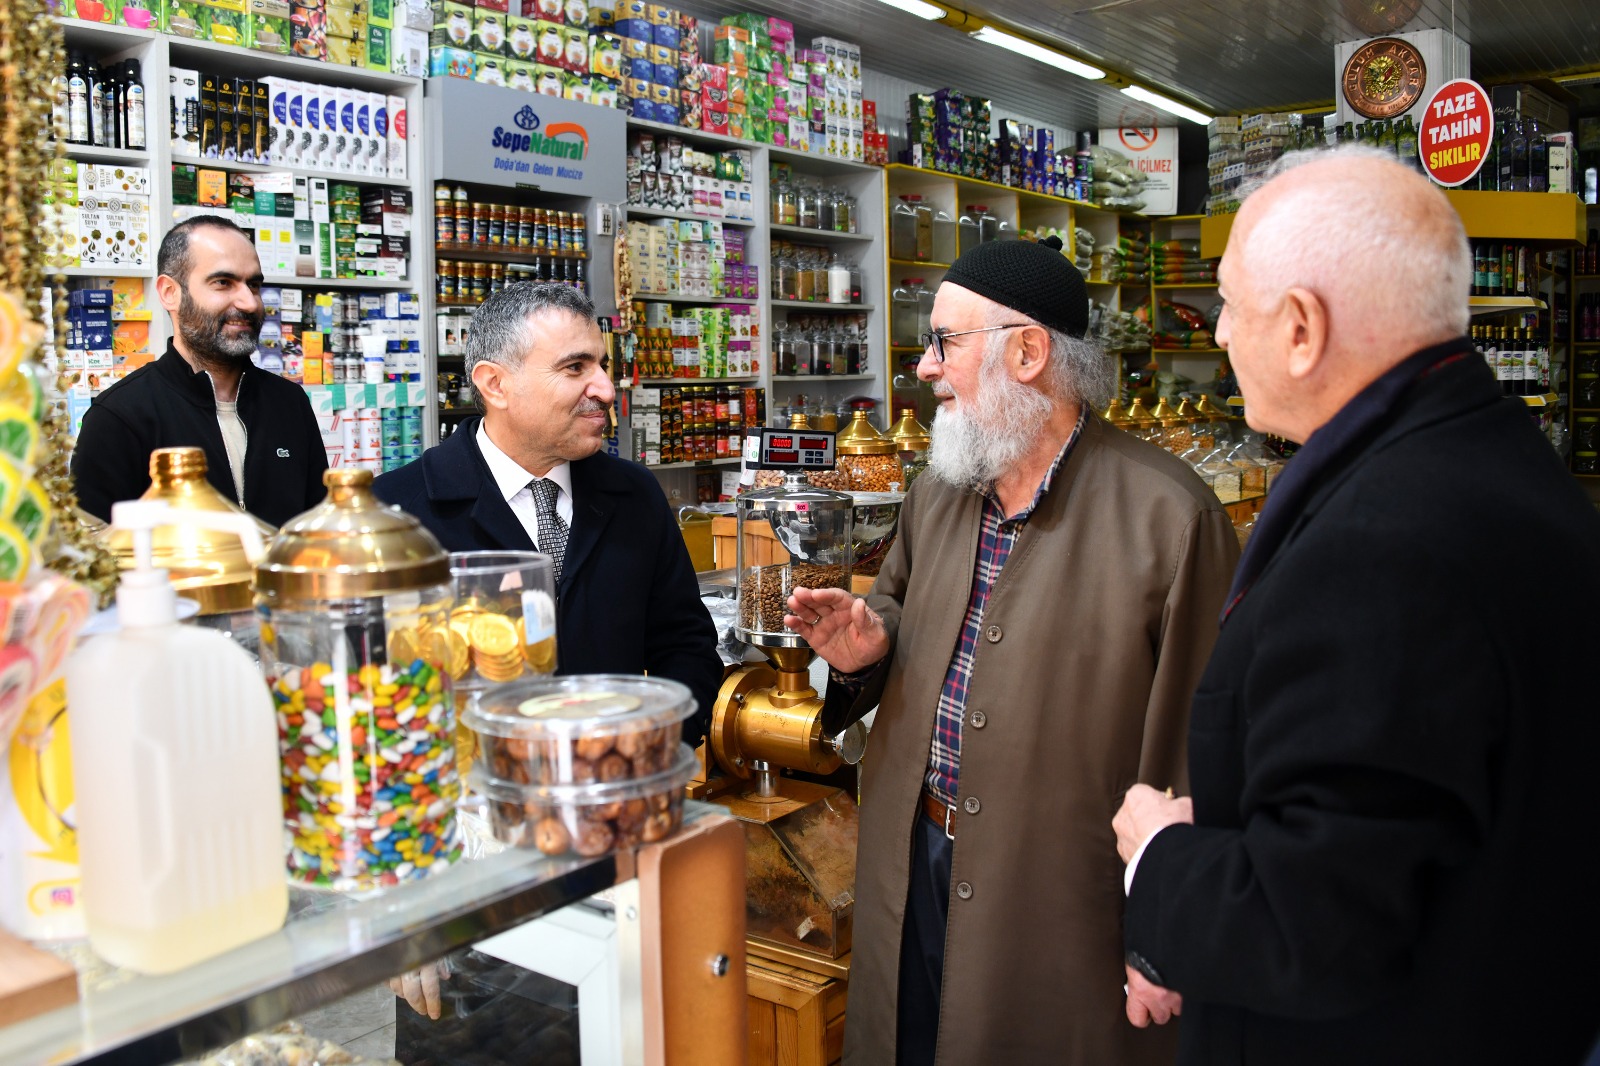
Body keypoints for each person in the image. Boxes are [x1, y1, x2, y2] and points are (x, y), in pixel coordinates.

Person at [1112, 146, 1600, 1064]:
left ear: (1301, 327)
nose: (1217, 335)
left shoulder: (1383, 546)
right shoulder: (1494, 464)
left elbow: (1316, 927)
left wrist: (1160, 861)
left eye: (1230, 303)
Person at [789, 239, 1240, 1065]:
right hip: (912, 854)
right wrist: (864, 648)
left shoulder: (1169, 519)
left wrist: (1166, 931)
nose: (925, 368)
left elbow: (1199, 744)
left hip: (1059, 893)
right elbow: (895, 607)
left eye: (944, 342)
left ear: (1028, 352)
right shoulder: (939, 491)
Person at [374, 281, 723, 1055]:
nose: (606, 387)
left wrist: (635, 751)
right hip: (464, 891)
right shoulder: (398, 515)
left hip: (617, 863)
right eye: (576, 368)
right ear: (494, 383)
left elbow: (686, 650)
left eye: (603, 363)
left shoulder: (632, 496)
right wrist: (405, 905)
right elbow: (374, 730)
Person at [71, 215, 328, 527]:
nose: (248, 302)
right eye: (223, 283)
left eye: (254, 285)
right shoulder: (120, 416)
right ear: (169, 293)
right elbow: (93, 559)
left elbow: (319, 529)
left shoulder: (289, 402)